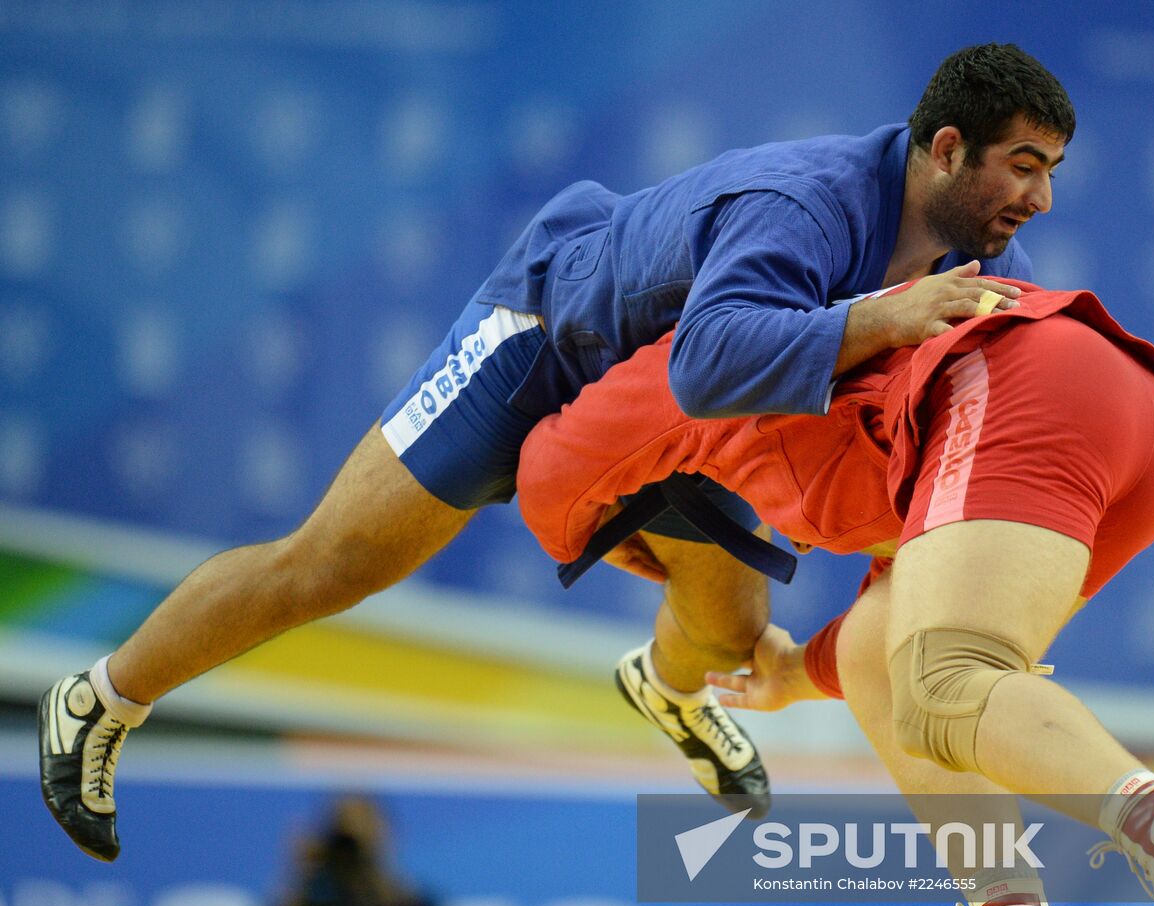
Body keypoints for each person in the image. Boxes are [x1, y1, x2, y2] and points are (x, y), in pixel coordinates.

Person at [38, 43, 1074, 863]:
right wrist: (882, 319)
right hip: (545, 346)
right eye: (1023, 167)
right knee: (331, 564)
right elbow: (710, 361)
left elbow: (953, 442)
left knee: (731, 638)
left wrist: (988, 607)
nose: (1040, 197)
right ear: (946, 148)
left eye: (1053, 172)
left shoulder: (984, 252)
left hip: (685, 422)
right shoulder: (804, 203)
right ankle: (99, 697)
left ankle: (666, 689)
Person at [513, 279, 1154, 906]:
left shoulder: (673, 370)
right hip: (1129, 423)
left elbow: (548, 473)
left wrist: (606, 544)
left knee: (946, 683)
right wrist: (793, 671)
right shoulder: (801, 353)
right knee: (911, 678)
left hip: (1025, 388)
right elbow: (877, 643)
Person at [266, 795, 441, 906]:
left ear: (384, 837)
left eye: (364, 830)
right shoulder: (307, 905)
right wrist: (299, 874)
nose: (353, 851)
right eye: (346, 838)